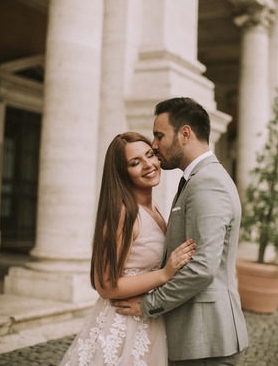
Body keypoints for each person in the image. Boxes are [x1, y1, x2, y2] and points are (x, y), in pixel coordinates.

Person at [112, 98, 249, 366]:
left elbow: (202, 268)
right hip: (197, 338)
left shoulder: (207, 183)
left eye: (159, 135)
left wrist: (148, 305)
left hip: (205, 341)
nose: (154, 145)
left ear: (185, 133)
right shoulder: (198, 179)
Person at [59, 131, 196, 366]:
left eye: (150, 155)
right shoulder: (125, 213)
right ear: (122, 173)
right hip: (123, 325)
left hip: (148, 318)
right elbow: (105, 285)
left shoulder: (153, 207)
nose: (148, 165)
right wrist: (165, 274)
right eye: (135, 162)